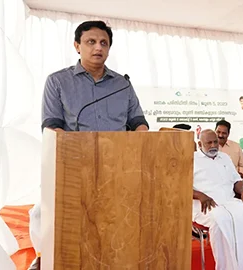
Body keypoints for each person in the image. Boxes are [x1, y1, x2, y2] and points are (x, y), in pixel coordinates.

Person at [30, 20, 149, 269]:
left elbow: (138, 121)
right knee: (45, 215)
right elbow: (51, 124)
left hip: (116, 166)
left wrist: (143, 137)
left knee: (115, 222)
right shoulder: (58, 81)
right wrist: (76, 151)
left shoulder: (122, 85)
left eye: (103, 43)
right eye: (91, 42)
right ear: (77, 46)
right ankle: (44, 259)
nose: (98, 48)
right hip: (72, 165)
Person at [193, 130, 243, 270]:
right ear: (199, 144)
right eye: (209, 143)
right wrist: (200, 195)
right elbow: (180, 187)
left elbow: (236, 180)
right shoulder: (191, 160)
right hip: (205, 205)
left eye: (215, 141)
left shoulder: (225, 157)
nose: (213, 145)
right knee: (220, 219)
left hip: (229, 201)